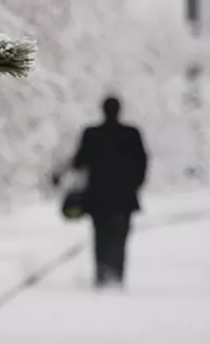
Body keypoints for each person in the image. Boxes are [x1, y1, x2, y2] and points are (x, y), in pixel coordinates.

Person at [53, 96, 148, 289]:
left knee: (101, 236)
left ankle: (102, 275)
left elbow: (79, 161)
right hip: (124, 197)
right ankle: (117, 276)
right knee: (120, 237)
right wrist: (135, 184)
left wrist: (59, 173)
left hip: (99, 197)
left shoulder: (92, 134)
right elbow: (142, 162)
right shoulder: (131, 134)